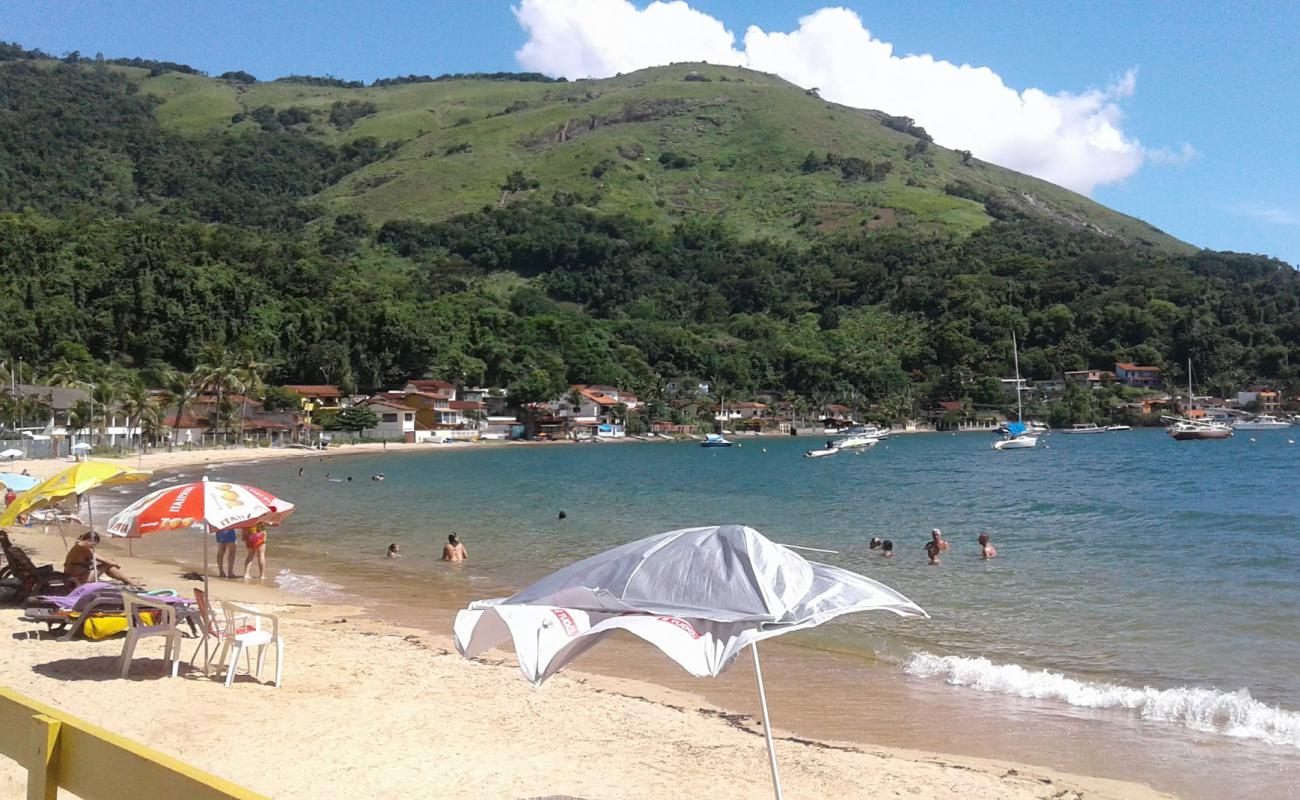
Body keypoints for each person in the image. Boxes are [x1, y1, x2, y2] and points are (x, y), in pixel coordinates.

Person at [64, 532, 140, 588]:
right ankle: (128, 580)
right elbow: (104, 560)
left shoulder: (78, 546)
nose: (93, 547)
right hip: (80, 579)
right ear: (89, 540)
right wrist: (115, 564)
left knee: (108, 564)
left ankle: (127, 580)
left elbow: (97, 559)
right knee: (107, 565)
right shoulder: (84, 549)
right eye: (93, 545)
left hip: (76, 575)